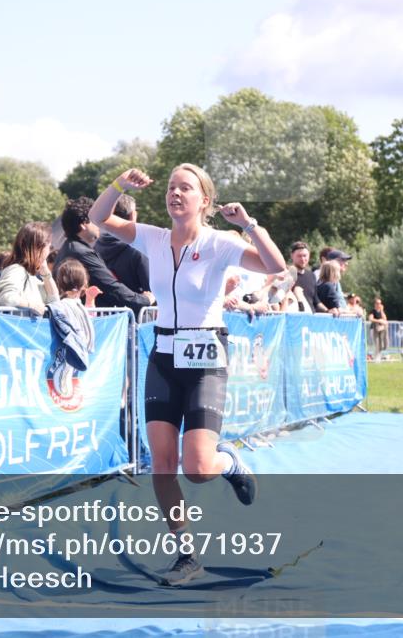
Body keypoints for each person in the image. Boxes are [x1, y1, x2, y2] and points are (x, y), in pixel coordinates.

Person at [89, 165, 285, 586]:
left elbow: (275, 264)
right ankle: (186, 555)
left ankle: (229, 462)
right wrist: (120, 185)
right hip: (163, 355)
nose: (175, 193)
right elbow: (98, 217)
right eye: (171, 187)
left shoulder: (219, 243)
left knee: (196, 467)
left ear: (204, 201)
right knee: (162, 465)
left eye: (186, 188)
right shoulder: (153, 237)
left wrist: (248, 225)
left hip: (206, 358)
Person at [56, 196, 154, 317]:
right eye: (95, 220)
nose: (99, 224)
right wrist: (144, 300)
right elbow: (111, 287)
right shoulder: (81, 253)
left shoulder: (70, 249)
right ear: (83, 224)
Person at [0, 222, 60, 315]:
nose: (49, 251)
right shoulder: (16, 270)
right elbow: (6, 298)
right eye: (49, 247)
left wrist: (45, 272)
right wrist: (31, 305)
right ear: (38, 248)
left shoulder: (32, 276)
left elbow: (54, 301)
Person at [94, 193, 151, 296]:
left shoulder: (93, 249)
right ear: (133, 215)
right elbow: (152, 291)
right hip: (136, 305)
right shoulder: (139, 249)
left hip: (101, 305)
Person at [289, 241, 319, 312]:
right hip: (295, 315)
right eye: (299, 256)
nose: (302, 259)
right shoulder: (287, 275)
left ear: (309, 256)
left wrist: (328, 310)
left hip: (311, 316)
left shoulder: (311, 275)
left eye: (305, 256)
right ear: (292, 256)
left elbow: (316, 301)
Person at [368, 297, 388, 362]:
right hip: (374, 329)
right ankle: (376, 358)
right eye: (377, 303)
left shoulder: (381, 311)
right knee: (377, 344)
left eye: (380, 303)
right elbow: (370, 318)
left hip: (381, 329)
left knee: (383, 344)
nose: (379, 305)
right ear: (375, 304)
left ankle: (378, 356)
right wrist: (379, 320)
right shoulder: (372, 311)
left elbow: (385, 319)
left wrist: (382, 310)